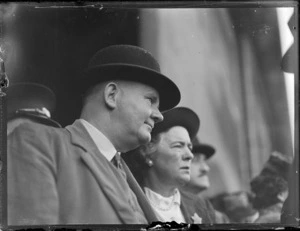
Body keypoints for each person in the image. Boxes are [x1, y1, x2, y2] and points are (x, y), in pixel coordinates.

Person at [7, 44, 181, 225]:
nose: (159, 115)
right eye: (150, 100)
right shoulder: (38, 142)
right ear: (111, 95)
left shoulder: (125, 175)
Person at [124, 107, 216, 224]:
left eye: (190, 147)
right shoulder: (129, 201)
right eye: (178, 146)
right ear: (147, 151)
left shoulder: (201, 206)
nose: (189, 155)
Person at [181, 138, 230, 223]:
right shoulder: (163, 211)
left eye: (204, 160)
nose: (206, 168)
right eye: (195, 160)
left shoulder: (217, 219)